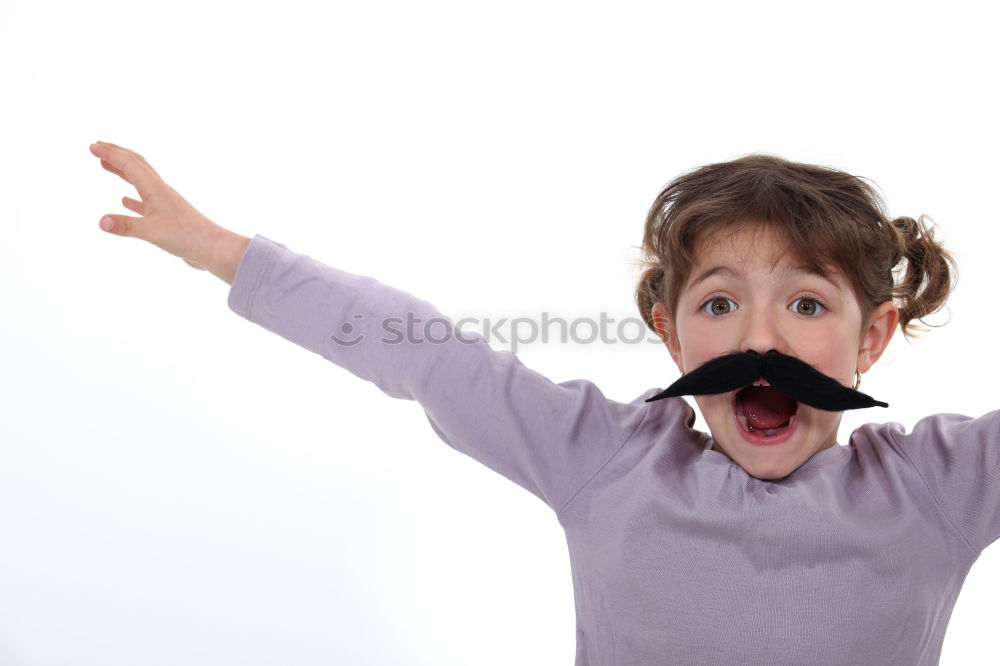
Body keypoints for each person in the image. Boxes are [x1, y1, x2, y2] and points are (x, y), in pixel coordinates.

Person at [90, 141, 996, 665]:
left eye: (806, 305)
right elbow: (434, 359)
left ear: (871, 337)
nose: (760, 342)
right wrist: (222, 250)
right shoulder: (606, 459)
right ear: (670, 335)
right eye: (719, 304)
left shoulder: (936, 490)